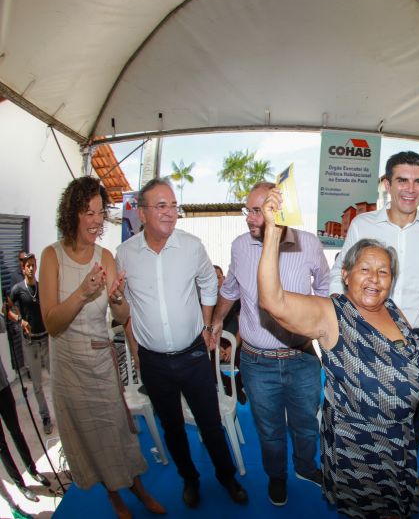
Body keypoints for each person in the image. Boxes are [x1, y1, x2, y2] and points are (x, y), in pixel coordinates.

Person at [257, 187, 419, 518]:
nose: (374, 279)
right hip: (358, 451)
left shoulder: (393, 310)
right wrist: (272, 234)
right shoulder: (332, 314)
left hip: (399, 440)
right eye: (365, 269)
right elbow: (272, 301)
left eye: (383, 272)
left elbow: (417, 353)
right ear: (346, 274)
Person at [329, 150, 419, 499]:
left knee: (411, 418)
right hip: (366, 339)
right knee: (365, 418)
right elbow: (338, 277)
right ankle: (364, 483)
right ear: (387, 184)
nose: (410, 189)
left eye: (418, 181)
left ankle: (405, 471)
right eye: (402, 180)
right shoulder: (363, 225)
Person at [116, 178, 247, 509]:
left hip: (192, 355)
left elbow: (208, 282)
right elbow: (125, 304)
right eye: (161, 206)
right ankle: (190, 478)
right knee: (172, 427)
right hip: (153, 362)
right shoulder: (125, 254)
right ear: (142, 212)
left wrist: (207, 324)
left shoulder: (191, 246)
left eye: (174, 205)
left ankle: (226, 476)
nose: (170, 212)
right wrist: (133, 345)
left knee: (210, 422)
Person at [39, 176, 164, 519]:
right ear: (72, 214)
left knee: (117, 431)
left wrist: (117, 297)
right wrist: (82, 292)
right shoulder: (51, 257)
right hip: (67, 369)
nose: (96, 221)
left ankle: (137, 488)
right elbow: (51, 323)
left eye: (99, 212)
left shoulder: (105, 257)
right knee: (88, 438)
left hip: (99, 363)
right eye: (87, 212)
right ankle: (114, 496)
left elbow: (121, 314)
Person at [210, 182, 329, 507]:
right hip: (257, 362)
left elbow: (324, 287)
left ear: (279, 210)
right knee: (270, 431)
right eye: (249, 209)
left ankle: (305, 467)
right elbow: (231, 289)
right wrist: (218, 320)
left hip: (302, 358)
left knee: (306, 423)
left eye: (259, 210)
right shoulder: (240, 246)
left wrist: (319, 326)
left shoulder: (308, 244)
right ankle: (277, 476)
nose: (250, 217)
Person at [7, 253, 52, 434]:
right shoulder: (17, 289)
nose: (31, 268)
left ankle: (64, 414)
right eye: (28, 266)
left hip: (46, 340)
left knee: (56, 380)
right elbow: (7, 308)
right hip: (30, 343)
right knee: (37, 385)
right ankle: (45, 417)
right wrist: (19, 320)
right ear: (23, 268)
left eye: (33, 265)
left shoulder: (42, 288)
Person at [0, 350, 50, 503]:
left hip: (2, 386)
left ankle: (32, 469)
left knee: (16, 431)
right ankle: (20, 484)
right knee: (1, 445)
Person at [212, 265, 245, 405]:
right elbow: (206, 329)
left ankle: (236, 385)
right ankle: (230, 386)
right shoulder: (205, 302)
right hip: (214, 343)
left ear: (224, 278)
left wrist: (234, 345)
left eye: (218, 277)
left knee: (249, 363)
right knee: (204, 365)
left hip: (236, 342)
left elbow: (242, 325)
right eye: (212, 278)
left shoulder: (236, 300)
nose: (216, 281)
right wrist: (218, 348)